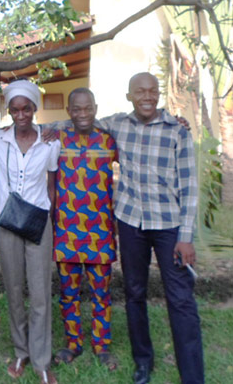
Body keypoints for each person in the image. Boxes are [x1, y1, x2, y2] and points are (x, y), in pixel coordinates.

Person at [97, 72, 204, 384]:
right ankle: (143, 361)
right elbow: (81, 118)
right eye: (139, 91)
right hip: (131, 222)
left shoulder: (177, 132)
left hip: (169, 225)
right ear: (129, 96)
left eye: (152, 91)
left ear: (159, 94)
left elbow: (189, 186)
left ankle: (193, 375)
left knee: (181, 299)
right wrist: (36, 129)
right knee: (134, 292)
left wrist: (186, 237)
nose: (147, 96)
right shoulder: (117, 124)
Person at [0, 79, 61, 384]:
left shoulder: (51, 141)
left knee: (40, 293)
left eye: (26, 108)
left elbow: (52, 183)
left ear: (34, 108)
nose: (20, 114)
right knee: (14, 290)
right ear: (8, 110)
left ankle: (42, 360)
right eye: (14, 109)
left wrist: (47, 215)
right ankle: (21, 351)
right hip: (6, 223)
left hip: (38, 224)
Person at [52, 88, 118, 371]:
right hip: (66, 233)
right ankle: (73, 343)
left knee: (101, 293)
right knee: (69, 293)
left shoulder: (109, 140)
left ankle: (101, 346)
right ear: (68, 112)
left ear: (95, 108)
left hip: (100, 233)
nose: (82, 114)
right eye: (76, 109)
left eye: (87, 108)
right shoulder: (57, 139)